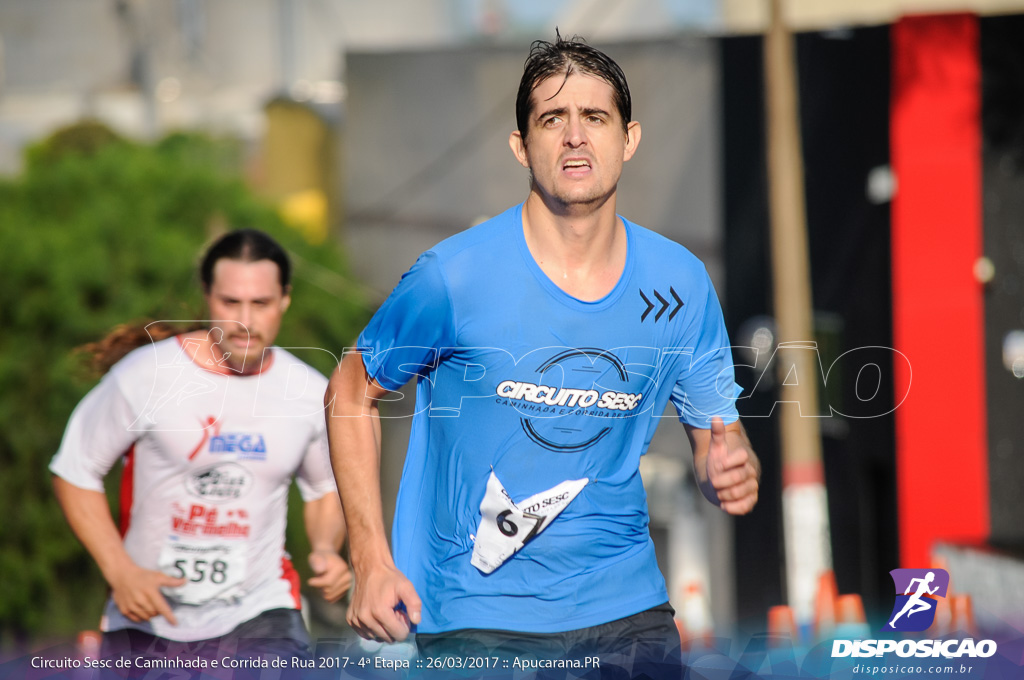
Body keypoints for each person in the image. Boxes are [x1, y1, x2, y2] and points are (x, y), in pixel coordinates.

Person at [326, 34, 759, 673]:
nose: (575, 136)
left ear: (629, 139)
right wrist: (369, 558)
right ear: (521, 146)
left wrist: (732, 467)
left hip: (626, 606)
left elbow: (716, 444)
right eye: (552, 119)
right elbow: (349, 391)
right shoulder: (455, 276)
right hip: (478, 613)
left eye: (595, 118)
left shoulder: (681, 282)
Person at [50, 229, 351, 668]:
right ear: (208, 296)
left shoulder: (308, 392)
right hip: (149, 621)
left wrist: (325, 547)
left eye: (261, 304)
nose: (245, 320)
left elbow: (326, 487)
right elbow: (75, 471)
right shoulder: (147, 376)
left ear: (285, 299)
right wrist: (120, 572)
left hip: (261, 613)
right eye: (230, 303)